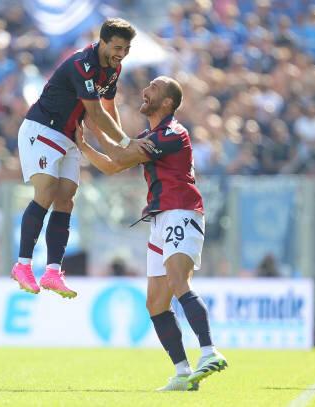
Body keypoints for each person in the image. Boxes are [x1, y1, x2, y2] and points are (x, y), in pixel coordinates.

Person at [75, 76, 228, 391]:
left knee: (177, 281)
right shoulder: (150, 136)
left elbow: (119, 155)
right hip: (160, 218)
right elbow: (112, 165)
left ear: (168, 102)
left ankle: (210, 352)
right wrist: (83, 144)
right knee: (156, 303)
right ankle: (183, 372)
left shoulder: (173, 133)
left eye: (154, 88)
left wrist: (95, 126)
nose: (146, 91)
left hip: (181, 211)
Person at [11, 18, 150, 298]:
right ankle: (23, 265)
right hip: (42, 128)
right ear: (103, 41)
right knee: (47, 190)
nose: (121, 54)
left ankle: (52, 272)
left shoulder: (113, 68)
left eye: (126, 49)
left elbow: (108, 107)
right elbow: (96, 113)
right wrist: (124, 143)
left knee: (66, 198)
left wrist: (119, 143)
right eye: (117, 47)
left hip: (71, 135)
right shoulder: (81, 65)